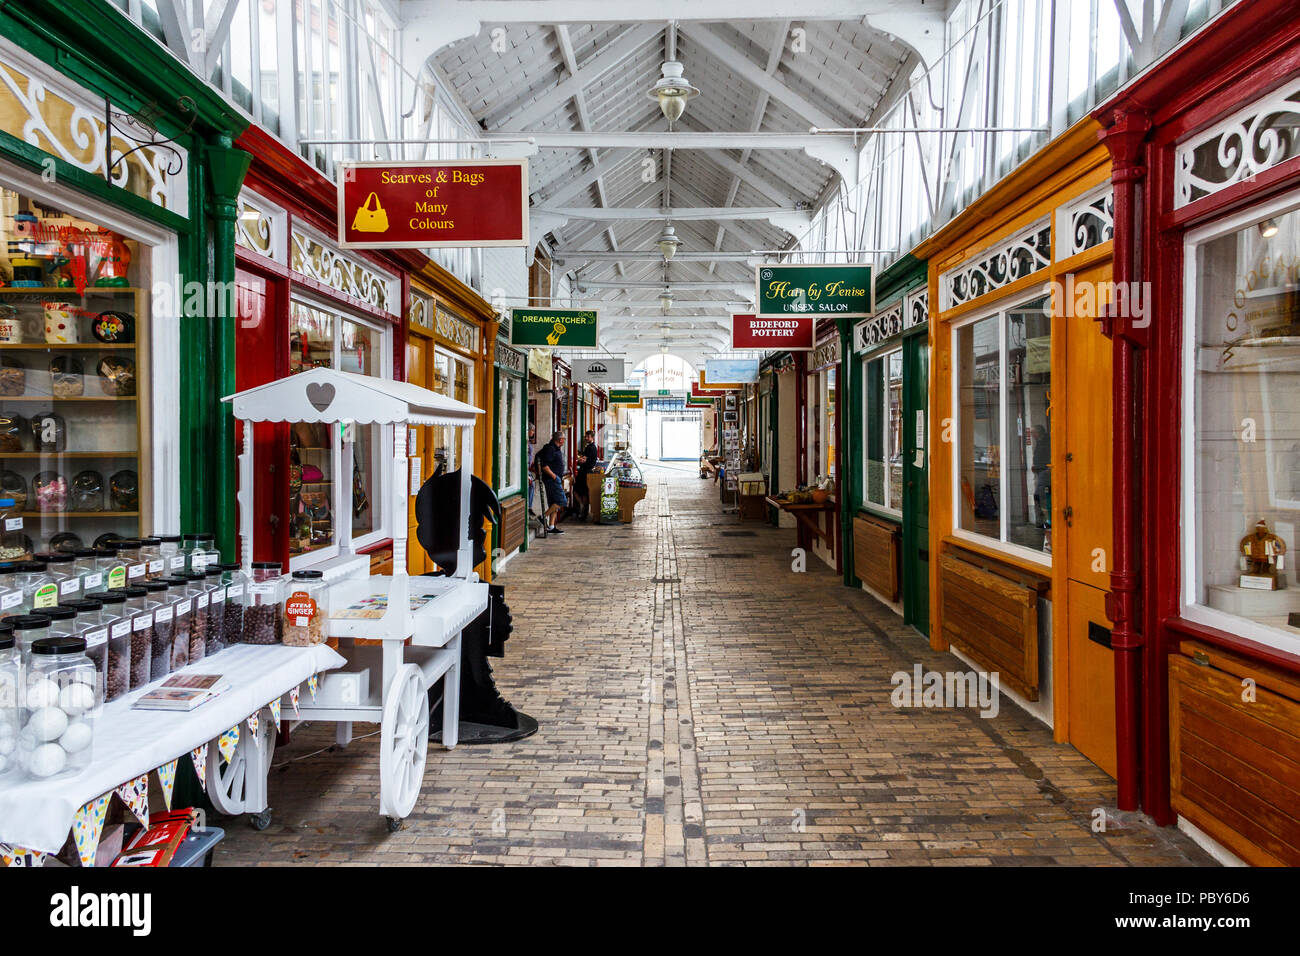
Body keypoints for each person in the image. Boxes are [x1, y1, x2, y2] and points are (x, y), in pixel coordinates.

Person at [534, 429, 568, 534]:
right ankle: (543, 516)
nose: (564, 441)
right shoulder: (550, 449)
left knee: (554, 503)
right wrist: (554, 477)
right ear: (560, 439)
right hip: (552, 480)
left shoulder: (555, 448)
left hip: (554, 479)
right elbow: (544, 464)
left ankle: (551, 527)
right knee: (561, 501)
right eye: (564, 439)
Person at [572, 429, 598, 520]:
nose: (586, 438)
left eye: (588, 437)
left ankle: (583, 509)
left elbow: (583, 460)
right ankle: (584, 511)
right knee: (584, 492)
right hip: (587, 472)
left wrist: (575, 461)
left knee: (578, 491)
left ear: (592, 437)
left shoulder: (590, 448)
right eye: (586, 436)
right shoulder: (592, 447)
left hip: (584, 473)